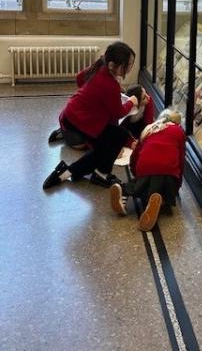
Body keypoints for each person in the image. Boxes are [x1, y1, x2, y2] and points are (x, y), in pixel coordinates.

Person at [43, 41, 139, 190]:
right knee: (111, 143)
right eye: (128, 64)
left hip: (72, 114)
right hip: (80, 120)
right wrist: (132, 102)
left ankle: (68, 172)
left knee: (112, 141)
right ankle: (96, 173)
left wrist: (95, 95)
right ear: (113, 65)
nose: (130, 67)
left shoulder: (100, 65)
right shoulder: (110, 84)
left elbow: (80, 78)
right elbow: (118, 112)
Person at [110, 108, 185, 231]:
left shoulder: (149, 129)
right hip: (168, 170)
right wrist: (178, 183)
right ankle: (157, 202)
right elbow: (181, 159)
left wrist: (135, 172)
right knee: (164, 190)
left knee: (141, 184)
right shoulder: (178, 131)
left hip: (145, 167)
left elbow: (135, 155)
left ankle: (123, 193)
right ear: (177, 122)